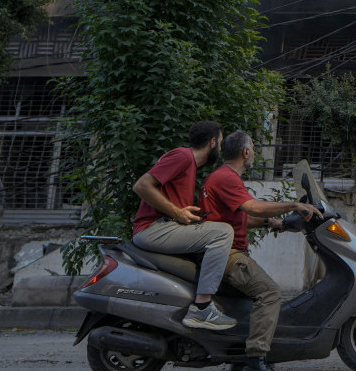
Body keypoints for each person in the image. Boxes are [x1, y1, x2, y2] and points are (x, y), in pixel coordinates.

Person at [201, 130, 319, 371]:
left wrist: (273, 223)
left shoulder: (223, 176)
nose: (253, 152)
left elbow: (238, 218)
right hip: (228, 254)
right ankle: (255, 359)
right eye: (252, 148)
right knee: (269, 293)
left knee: (249, 303)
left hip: (227, 251)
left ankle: (239, 358)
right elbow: (253, 207)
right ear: (245, 152)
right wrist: (295, 204)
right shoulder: (226, 177)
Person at [131, 120, 236, 331]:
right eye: (221, 142)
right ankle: (203, 308)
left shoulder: (189, 165)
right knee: (224, 232)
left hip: (163, 227)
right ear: (212, 142)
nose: (222, 148)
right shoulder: (182, 156)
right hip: (153, 228)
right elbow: (141, 185)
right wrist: (177, 212)